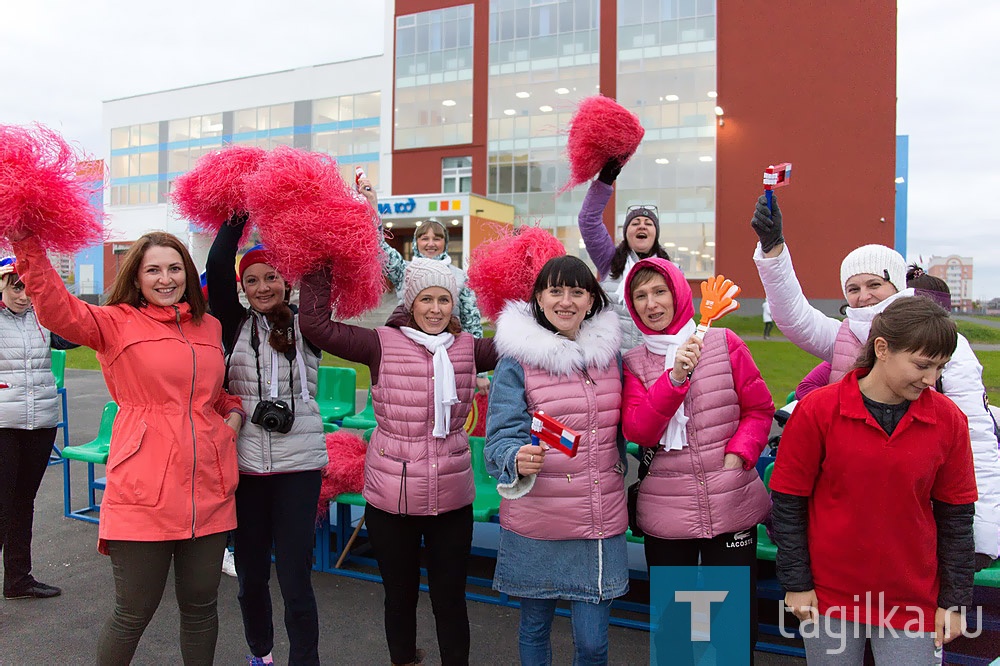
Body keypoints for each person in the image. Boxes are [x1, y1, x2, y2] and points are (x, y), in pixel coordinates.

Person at [7, 230, 242, 665]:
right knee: (133, 612)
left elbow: (213, 392)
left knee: (201, 608)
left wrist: (231, 417)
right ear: (136, 277)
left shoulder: (208, 326)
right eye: (153, 269)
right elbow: (56, 308)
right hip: (144, 492)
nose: (165, 278)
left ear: (188, 273)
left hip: (209, 489)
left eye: (174, 268)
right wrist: (27, 241)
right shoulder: (114, 321)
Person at [750, 193, 1000, 569]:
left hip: (914, 499)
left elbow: (975, 437)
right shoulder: (842, 334)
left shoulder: (945, 343)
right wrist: (773, 250)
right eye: (853, 289)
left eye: (873, 285)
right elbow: (793, 316)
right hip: (847, 494)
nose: (864, 297)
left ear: (897, 285)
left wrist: (981, 533)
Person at [299, 257, 497, 666]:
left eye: (445, 299)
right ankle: (404, 658)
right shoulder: (379, 343)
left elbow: (525, 341)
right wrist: (320, 265)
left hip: (452, 498)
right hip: (392, 499)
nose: (437, 309)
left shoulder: (469, 348)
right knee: (399, 594)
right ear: (411, 302)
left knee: (450, 598)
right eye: (427, 299)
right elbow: (316, 327)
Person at [770, 297, 976, 664]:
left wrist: (954, 601)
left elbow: (956, 518)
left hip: (912, 598)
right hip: (829, 595)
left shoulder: (949, 420)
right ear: (882, 348)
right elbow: (789, 502)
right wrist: (797, 584)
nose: (932, 380)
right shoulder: (819, 410)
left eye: (940, 368)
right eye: (922, 365)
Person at [619, 257, 774, 657]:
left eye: (659, 291)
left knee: (734, 628)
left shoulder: (724, 343)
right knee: (678, 631)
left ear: (678, 293)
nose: (652, 304)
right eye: (640, 296)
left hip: (731, 499)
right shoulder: (635, 363)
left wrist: (739, 455)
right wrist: (672, 382)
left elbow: (758, 409)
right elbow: (639, 430)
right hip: (667, 511)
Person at [484, 255, 628, 665]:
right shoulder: (516, 359)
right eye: (556, 290)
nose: (566, 301)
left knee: (593, 644)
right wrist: (516, 456)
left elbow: (627, 424)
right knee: (534, 629)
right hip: (538, 521)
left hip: (598, 521)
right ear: (538, 298)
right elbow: (499, 438)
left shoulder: (609, 355)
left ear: (591, 301)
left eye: (577, 292)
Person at [206, 215, 328, 666]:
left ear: (286, 281)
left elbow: (320, 268)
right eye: (252, 280)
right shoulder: (232, 324)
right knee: (250, 577)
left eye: (272, 277)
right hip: (247, 468)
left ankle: (305, 661)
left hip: (299, 468)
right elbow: (219, 262)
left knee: (297, 579)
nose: (262, 287)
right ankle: (260, 653)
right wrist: (239, 212)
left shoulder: (309, 325)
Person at [358, 178, 489, 395]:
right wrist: (372, 205)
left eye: (437, 238)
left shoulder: (459, 277)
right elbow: (379, 247)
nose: (430, 243)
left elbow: (472, 323)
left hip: (450, 360)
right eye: (424, 238)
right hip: (407, 359)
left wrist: (480, 372)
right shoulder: (404, 270)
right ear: (416, 242)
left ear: (445, 242)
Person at [0, 259, 77, 600]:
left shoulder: (43, 317)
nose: (23, 296)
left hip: (41, 422)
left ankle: (19, 579)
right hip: (3, 424)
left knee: (23, 502)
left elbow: (77, 332)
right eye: (16, 287)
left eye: (29, 288)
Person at [576, 158, 672, 351]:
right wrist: (605, 180)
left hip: (655, 362)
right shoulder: (609, 261)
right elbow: (588, 221)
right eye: (635, 223)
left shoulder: (671, 271)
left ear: (656, 234)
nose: (641, 226)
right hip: (613, 363)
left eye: (648, 223)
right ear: (626, 233)